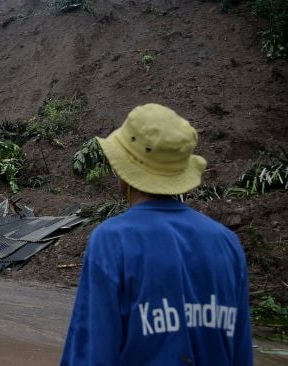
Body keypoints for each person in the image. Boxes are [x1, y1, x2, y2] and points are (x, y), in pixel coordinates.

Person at [60, 104, 252, 365]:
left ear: (123, 170)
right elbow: (241, 354)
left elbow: (91, 352)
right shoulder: (227, 244)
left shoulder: (113, 241)